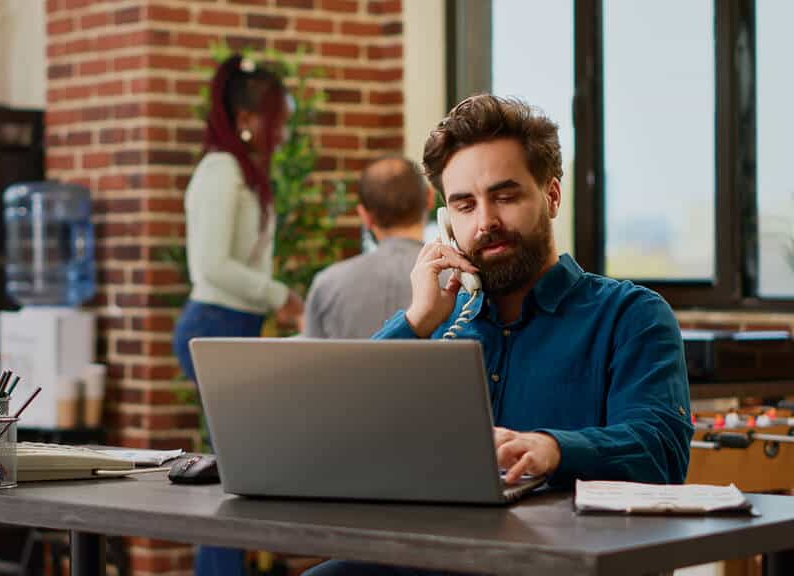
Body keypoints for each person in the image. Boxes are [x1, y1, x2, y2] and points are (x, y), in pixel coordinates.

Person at [304, 95, 693, 576]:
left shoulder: (632, 315)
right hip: (443, 555)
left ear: (551, 196)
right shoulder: (441, 323)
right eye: (464, 205)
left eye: (505, 196)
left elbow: (661, 449)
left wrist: (552, 449)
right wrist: (418, 318)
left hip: (563, 561)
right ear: (446, 221)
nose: (485, 221)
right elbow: (338, 433)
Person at [171, 54, 302, 576]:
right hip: (214, 326)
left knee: (238, 470)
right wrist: (282, 297)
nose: (284, 132)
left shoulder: (240, 171)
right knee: (235, 476)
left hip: (232, 328)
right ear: (248, 120)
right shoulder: (220, 171)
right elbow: (211, 266)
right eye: (279, 119)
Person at [302, 157, 433, 339]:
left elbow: (310, 364)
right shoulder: (460, 281)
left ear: (365, 216)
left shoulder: (327, 286)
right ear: (430, 198)